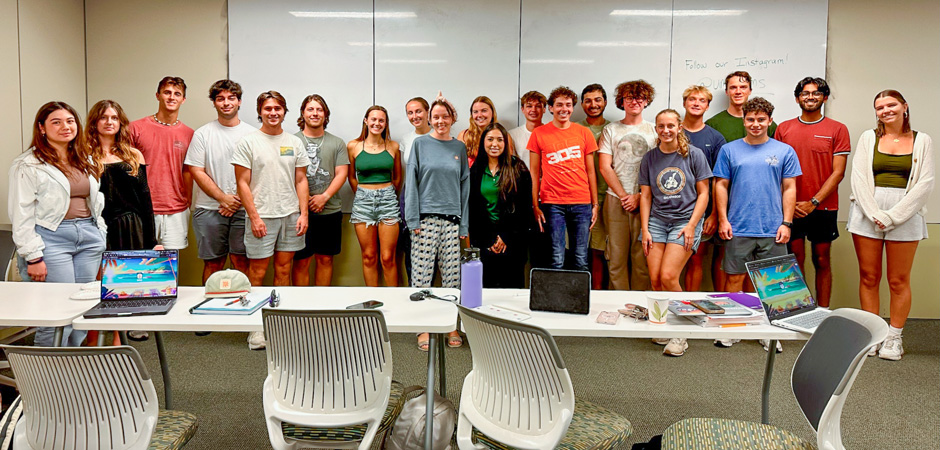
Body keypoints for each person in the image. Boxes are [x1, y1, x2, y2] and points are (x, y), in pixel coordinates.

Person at [10, 101, 106, 347]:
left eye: (70, 121)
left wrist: (100, 232)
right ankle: (40, 383)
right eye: (56, 122)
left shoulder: (85, 158)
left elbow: (96, 200)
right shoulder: (28, 163)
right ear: (41, 128)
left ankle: (67, 378)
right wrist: (33, 257)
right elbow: (21, 213)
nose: (65, 126)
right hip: (52, 239)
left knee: (83, 312)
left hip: (88, 236)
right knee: (57, 316)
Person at [847, 90, 934, 361]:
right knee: (869, 277)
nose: (885, 110)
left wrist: (893, 216)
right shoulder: (868, 138)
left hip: (905, 215)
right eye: (880, 107)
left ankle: (893, 338)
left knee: (898, 280)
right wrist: (875, 213)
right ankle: (872, 336)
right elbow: (858, 179)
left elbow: (925, 183)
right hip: (866, 212)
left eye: (891, 105)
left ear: (904, 106)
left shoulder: (922, 141)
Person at [714, 97, 800, 351]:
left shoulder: (784, 151)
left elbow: (790, 188)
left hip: (773, 228)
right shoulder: (729, 150)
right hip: (738, 226)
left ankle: (772, 332)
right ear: (744, 120)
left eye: (761, 120)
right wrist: (723, 219)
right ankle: (734, 326)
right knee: (734, 280)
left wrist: (787, 222)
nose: (755, 124)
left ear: (769, 121)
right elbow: (721, 185)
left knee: (775, 284)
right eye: (750, 119)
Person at [232, 91, 310, 350]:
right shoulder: (249, 142)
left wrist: (303, 214)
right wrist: (253, 216)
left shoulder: (294, 142)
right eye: (268, 108)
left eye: (278, 108)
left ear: (285, 111)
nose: (273, 112)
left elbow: (301, 180)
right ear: (260, 111)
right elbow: (242, 183)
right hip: (261, 216)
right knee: (257, 273)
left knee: (284, 272)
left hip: (290, 215)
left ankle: (279, 324)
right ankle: (256, 329)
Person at [639, 109, 712, 356]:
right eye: (661, 126)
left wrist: (692, 225)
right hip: (657, 222)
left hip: (685, 221)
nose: (666, 130)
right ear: (656, 129)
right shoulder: (650, 158)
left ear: (679, 127)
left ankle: (681, 333)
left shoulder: (694, 155)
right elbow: (646, 196)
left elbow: (704, 193)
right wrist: (645, 229)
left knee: (670, 276)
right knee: (656, 280)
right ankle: (664, 326)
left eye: (671, 125)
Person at [775, 77, 851, 309]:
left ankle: (822, 312)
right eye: (805, 93)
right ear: (798, 98)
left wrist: (814, 201)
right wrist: (790, 203)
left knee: (821, 260)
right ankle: (799, 310)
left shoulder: (837, 129)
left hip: (823, 207)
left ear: (824, 97)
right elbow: (776, 170)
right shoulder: (783, 129)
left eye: (816, 93)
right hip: (791, 207)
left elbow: (838, 173)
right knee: (794, 261)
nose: (810, 97)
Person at [405, 97, 469, 351]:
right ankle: (423, 326)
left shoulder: (459, 147)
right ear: (430, 119)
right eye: (436, 117)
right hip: (425, 220)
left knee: (452, 277)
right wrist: (413, 219)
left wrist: (463, 225)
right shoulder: (420, 144)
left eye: (446, 116)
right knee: (422, 276)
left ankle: (450, 324)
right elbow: (411, 183)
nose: (440, 121)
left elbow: (465, 187)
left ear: (453, 119)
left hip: (452, 220)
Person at [185, 79, 255, 283]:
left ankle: (242, 304)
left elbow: (258, 174)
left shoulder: (252, 135)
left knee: (241, 262)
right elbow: (196, 170)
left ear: (239, 102)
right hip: (209, 210)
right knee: (213, 264)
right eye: (220, 99)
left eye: (231, 98)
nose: (226, 103)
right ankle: (210, 305)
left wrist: (236, 202)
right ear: (214, 103)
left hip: (243, 211)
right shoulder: (203, 134)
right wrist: (222, 198)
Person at [529, 86, 599, 272]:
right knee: (556, 258)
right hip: (552, 204)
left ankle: (579, 300)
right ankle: (556, 300)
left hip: (581, 203)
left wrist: (595, 204)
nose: (564, 109)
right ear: (550, 108)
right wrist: (535, 205)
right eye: (559, 105)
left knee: (581, 259)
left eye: (568, 105)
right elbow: (534, 172)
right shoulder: (539, 134)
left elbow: (591, 171)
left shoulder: (584, 133)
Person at [598, 80, 656, 290]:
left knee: (642, 256)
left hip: (646, 201)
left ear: (646, 100)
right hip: (616, 201)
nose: (634, 101)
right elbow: (605, 167)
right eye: (629, 97)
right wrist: (624, 196)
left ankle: (639, 305)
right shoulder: (610, 130)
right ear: (621, 101)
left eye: (639, 97)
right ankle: (619, 304)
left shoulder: (655, 130)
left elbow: (659, 168)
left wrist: (639, 196)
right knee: (616, 257)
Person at [129, 76, 195, 250]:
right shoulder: (135, 129)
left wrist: (186, 201)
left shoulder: (189, 134)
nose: (172, 97)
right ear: (158, 95)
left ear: (183, 99)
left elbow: (188, 171)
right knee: (141, 266)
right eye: (167, 92)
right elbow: (124, 168)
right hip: (141, 208)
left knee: (170, 268)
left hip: (176, 210)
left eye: (177, 94)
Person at [291, 94, 348, 286]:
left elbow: (341, 173)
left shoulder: (337, 143)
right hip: (299, 213)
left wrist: (324, 197)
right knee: (301, 260)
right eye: (310, 109)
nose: (315, 113)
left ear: (325, 114)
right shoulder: (291, 141)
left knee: (325, 259)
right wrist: (304, 203)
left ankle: (321, 304)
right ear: (303, 113)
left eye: (319, 109)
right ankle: (301, 308)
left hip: (329, 210)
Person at [468, 123, 534, 288]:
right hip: (485, 241)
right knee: (487, 291)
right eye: (490, 139)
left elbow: (525, 209)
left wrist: (505, 237)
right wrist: (489, 239)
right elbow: (473, 209)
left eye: (499, 140)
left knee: (511, 291)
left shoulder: (518, 168)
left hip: (513, 241)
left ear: (506, 143)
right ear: (483, 142)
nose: (494, 144)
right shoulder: (476, 170)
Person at [88, 100, 156, 252]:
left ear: (120, 122)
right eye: (103, 117)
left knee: (131, 274)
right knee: (103, 275)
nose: (109, 122)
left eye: (114, 118)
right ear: (94, 122)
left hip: (133, 227)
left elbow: (145, 198)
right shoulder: (85, 156)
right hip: (99, 226)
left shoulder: (134, 155)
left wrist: (152, 240)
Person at [347, 105, 401, 287]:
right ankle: (372, 300)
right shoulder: (354, 146)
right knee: (369, 256)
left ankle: (393, 301)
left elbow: (397, 178)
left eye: (381, 120)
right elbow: (351, 177)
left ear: (385, 124)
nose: (377, 123)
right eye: (373, 119)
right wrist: (363, 193)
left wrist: (385, 193)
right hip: (363, 202)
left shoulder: (393, 146)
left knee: (387, 257)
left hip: (388, 201)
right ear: (366, 121)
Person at [680, 86, 727, 291]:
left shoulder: (715, 138)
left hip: (702, 211)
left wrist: (715, 214)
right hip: (671, 209)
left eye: (702, 100)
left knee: (695, 260)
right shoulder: (671, 131)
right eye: (692, 99)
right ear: (684, 103)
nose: (696, 103)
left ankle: (689, 306)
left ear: (707, 106)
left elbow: (719, 180)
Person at [579, 83, 611, 290]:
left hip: (607, 195)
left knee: (600, 250)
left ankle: (599, 293)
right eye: (588, 100)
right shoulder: (576, 129)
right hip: (579, 197)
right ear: (581, 104)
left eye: (598, 100)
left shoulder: (613, 128)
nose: (593, 104)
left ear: (605, 102)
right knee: (580, 250)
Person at [398, 97, 431, 283]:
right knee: (412, 251)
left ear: (427, 112)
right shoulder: (406, 139)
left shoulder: (440, 136)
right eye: (410, 113)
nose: (415, 116)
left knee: (432, 255)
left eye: (418, 111)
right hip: (410, 198)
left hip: (432, 200)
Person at [706, 71, 778, 142]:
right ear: (727, 92)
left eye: (743, 87)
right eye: (733, 87)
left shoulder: (766, 124)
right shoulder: (712, 125)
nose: (738, 92)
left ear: (750, 91)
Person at [508, 90, 546, 169]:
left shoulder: (552, 133)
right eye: (529, 106)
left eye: (538, 106)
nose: (533, 110)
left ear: (544, 109)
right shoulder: (512, 135)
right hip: (523, 180)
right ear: (522, 109)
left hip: (548, 180)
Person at [457, 96, 496, 167]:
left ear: (492, 113)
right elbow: (456, 164)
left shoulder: (503, 136)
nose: (479, 115)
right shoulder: (464, 136)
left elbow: (508, 167)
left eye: (484, 111)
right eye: (475, 112)